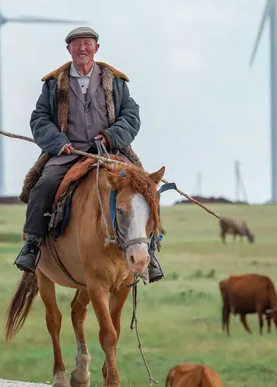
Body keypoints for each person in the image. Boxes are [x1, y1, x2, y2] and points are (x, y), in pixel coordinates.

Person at [13, 26, 164, 283]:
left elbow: (131, 115)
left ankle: (150, 249)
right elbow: (39, 119)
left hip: (109, 153)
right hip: (68, 153)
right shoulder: (53, 83)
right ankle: (33, 245)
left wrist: (111, 136)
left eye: (87, 43)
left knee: (145, 188)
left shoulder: (115, 81)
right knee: (44, 184)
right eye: (77, 44)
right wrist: (58, 142)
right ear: (68, 49)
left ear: (96, 48)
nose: (82, 48)